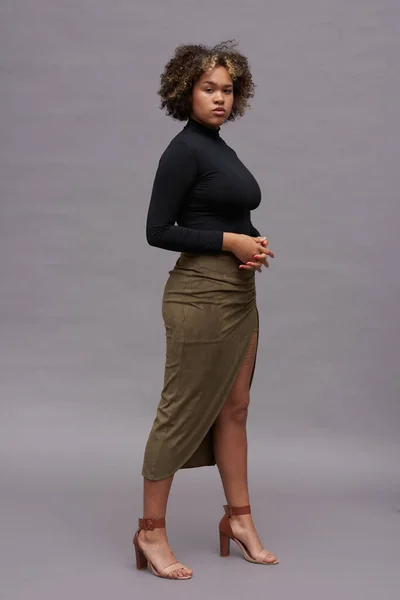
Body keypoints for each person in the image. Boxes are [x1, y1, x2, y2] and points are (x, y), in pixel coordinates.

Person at [133, 41, 278, 580]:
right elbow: (158, 231)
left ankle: (238, 520)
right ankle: (150, 530)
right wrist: (230, 242)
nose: (220, 98)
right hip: (198, 295)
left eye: (227, 90)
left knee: (235, 408)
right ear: (185, 91)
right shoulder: (184, 149)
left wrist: (253, 242)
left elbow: (229, 212)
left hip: (239, 297)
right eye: (208, 88)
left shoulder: (221, 147)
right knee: (181, 411)